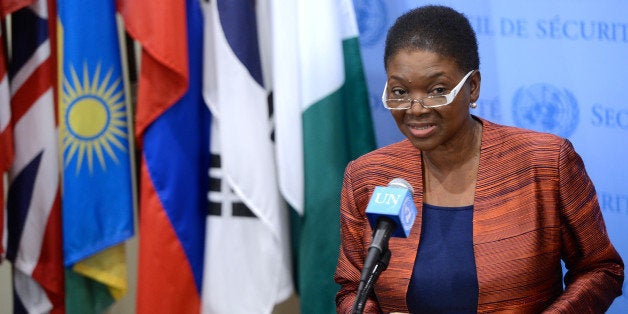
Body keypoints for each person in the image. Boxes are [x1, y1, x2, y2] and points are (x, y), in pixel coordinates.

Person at [334, 5, 624, 313]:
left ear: (472, 86)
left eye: (437, 90)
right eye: (400, 91)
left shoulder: (546, 163)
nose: (415, 108)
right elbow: (352, 287)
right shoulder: (367, 176)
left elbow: (601, 269)